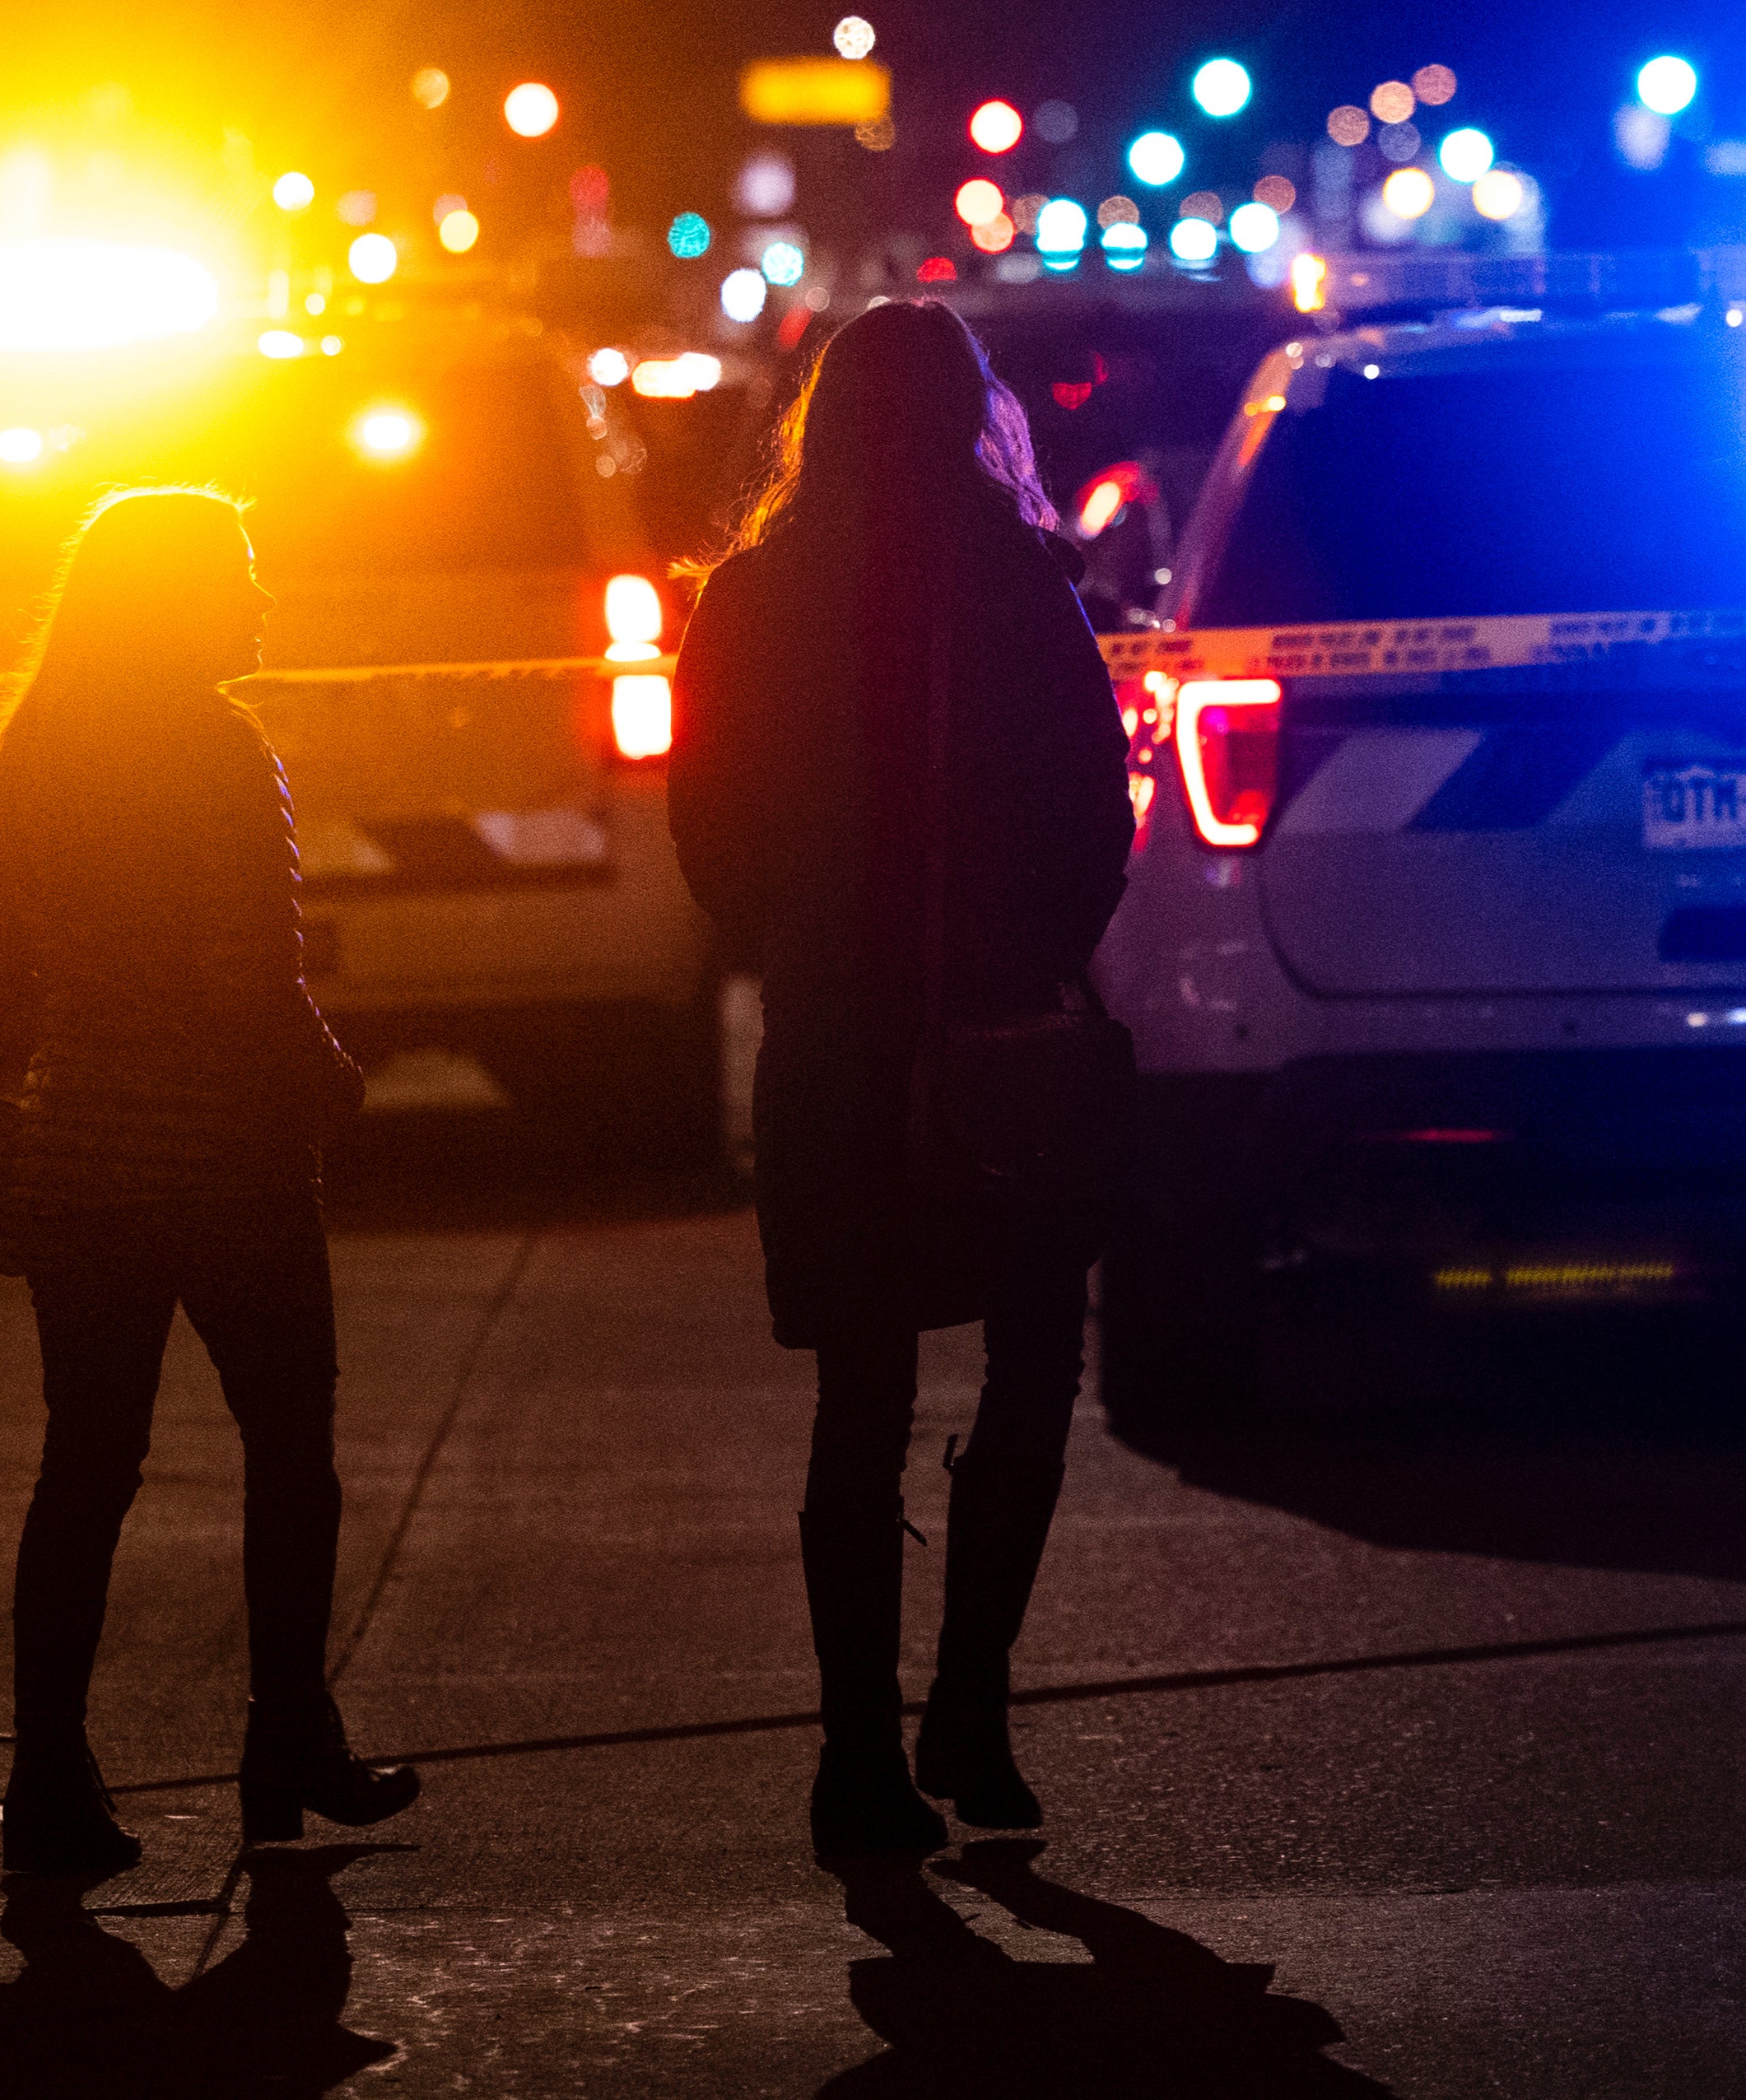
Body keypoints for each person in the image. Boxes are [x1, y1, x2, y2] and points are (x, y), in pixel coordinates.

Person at [668, 301, 1134, 1856]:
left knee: (857, 1403)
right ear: (966, 422)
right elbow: (1097, 816)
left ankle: (854, 1763)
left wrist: (813, 942)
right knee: (1025, 1374)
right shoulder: (1021, 590)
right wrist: (1026, 959)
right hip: (1006, 1036)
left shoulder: (750, 598)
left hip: (836, 1041)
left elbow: (707, 836)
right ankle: (974, 1715)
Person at [0, 486, 418, 1876]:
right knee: (288, 1451)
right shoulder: (217, 749)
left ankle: (49, 1774)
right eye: (241, 577)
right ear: (180, 601)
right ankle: (289, 1734)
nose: (261, 601)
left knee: (86, 1465)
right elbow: (247, 979)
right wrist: (331, 1080)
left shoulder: (42, 750)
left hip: (74, 1155)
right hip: (219, 1158)